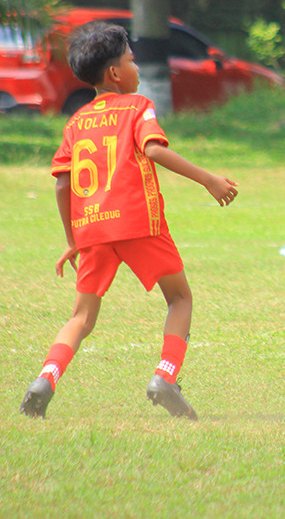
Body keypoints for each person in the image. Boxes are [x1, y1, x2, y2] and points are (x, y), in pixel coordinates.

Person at [19, 22, 239, 420]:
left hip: (92, 229)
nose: (137, 69)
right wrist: (208, 179)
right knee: (180, 298)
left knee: (81, 317)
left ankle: (45, 378)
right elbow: (153, 150)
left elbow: (62, 185)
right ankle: (165, 376)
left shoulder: (76, 122)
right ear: (115, 74)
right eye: (132, 61)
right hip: (138, 222)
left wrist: (72, 239)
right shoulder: (138, 107)